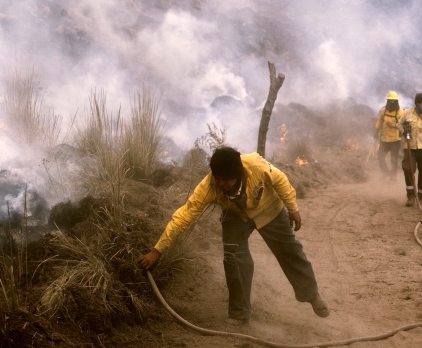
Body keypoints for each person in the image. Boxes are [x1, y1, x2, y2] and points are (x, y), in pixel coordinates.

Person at [138, 146, 330, 326]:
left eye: (226, 179)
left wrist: (293, 209)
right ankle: (240, 311)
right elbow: (183, 216)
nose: (221, 183)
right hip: (235, 214)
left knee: (289, 250)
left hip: (269, 209)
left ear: (238, 173)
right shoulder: (209, 186)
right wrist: (157, 251)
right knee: (234, 257)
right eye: (218, 178)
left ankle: (311, 295)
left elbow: (280, 180)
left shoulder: (256, 166)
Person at [374, 91, 404, 180]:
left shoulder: (400, 112)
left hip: (395, 140)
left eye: (393, 101)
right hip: (384, 139)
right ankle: (386, 173)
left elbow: (403, 126)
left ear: (396, 101)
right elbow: (380, 121)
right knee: (380, 157)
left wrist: (393, 125)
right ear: (387, 101)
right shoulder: (383, 110)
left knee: (394, 160)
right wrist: (376, 130)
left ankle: (393, 177)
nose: (392, 102)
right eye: (390, 100)